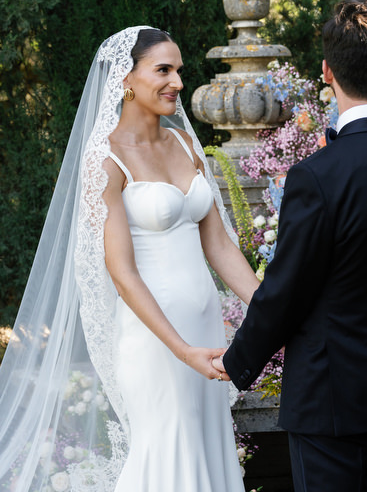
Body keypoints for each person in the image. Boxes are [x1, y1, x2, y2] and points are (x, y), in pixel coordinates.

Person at [0, 26, 259, 492]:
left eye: (179, 70)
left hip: (205, 328)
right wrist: (181, 350)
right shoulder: (106, 160)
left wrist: (272, 308)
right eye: (163, 70)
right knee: (165, 453)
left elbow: (219, 246)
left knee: (209, 449)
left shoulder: (184, 144)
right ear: (125, 78)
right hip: (155, 339)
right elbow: (121, 273)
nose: (177, 82)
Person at [213, 0, 367, 491]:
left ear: (326, 71)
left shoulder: (315, 177)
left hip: (330, 392)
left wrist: (237, 362)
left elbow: (286, 289)